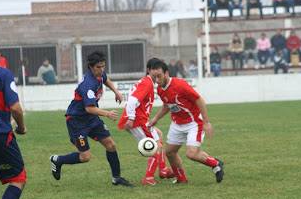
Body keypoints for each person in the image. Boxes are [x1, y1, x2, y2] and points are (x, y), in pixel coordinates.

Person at [49, 51, 134, 187]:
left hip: (91, 119)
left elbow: (105, 78)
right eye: (98, 67)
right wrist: (107, 114)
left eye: (103, 66)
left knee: (111, 145)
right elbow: (89, 108)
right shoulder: (87, 84)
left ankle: (117, 178)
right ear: (90, 66)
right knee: (85, 157)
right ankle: (57, 160)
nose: (101, 70)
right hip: (77, 121)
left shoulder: (99, 75)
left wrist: (116, 91)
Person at [147, 61, 224, 184]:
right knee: (170, 152)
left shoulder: (180, 84)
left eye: (159, 76)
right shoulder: (160, 89)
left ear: (166, 73)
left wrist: (206, 122)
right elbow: (167, 105)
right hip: (177, 124)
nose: (157, 80)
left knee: (191, 154)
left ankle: (216, 163)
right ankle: (181, 180)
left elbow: (199, 99)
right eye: (154, 77)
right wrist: (155, 119)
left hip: (194, 122)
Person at [118, 58, 174, 185]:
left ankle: (163, 169)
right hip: (137, 121)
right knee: (156, 146)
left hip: (139, 120)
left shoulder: (146, 82)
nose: (156, 76)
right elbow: (132, 101)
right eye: (154, 72)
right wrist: (131, 119)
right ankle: (148, 178)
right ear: (149, 70)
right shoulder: (147, 83)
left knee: (158, 134)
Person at [0, 34, 27, 199]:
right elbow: (15, 108)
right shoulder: (3, 73)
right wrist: (21, 126)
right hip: (0, 135)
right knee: (18, 179)